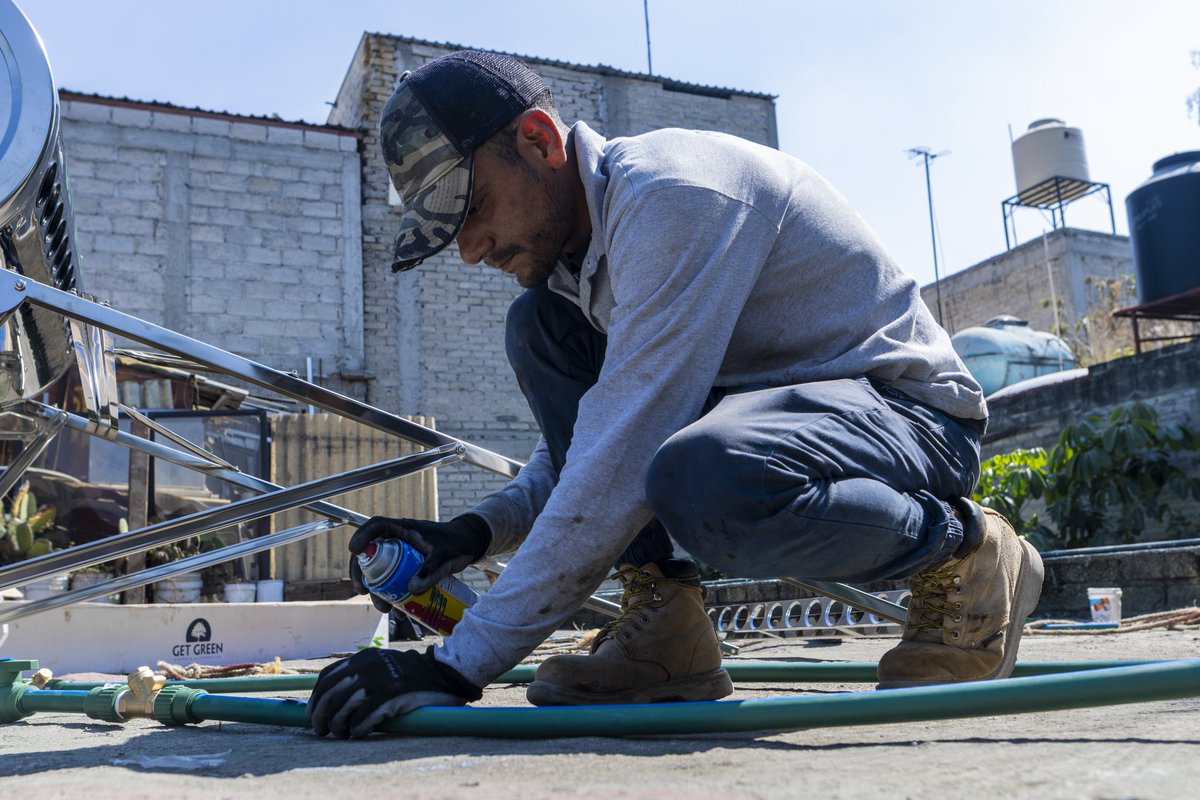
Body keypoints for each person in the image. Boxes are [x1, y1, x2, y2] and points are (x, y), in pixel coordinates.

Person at [307, 50, 1044, 739]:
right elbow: (595, 445)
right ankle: (667, 634)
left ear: (538, 140)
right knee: (540, 326)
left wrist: (453, 666)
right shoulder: (579, 269)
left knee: (702, 475)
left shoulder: (674, 199)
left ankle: (965, 553)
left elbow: (622, 454)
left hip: (911, 422)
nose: (469, 249)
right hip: (780, 425)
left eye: (471, 208)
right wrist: (466, 536)